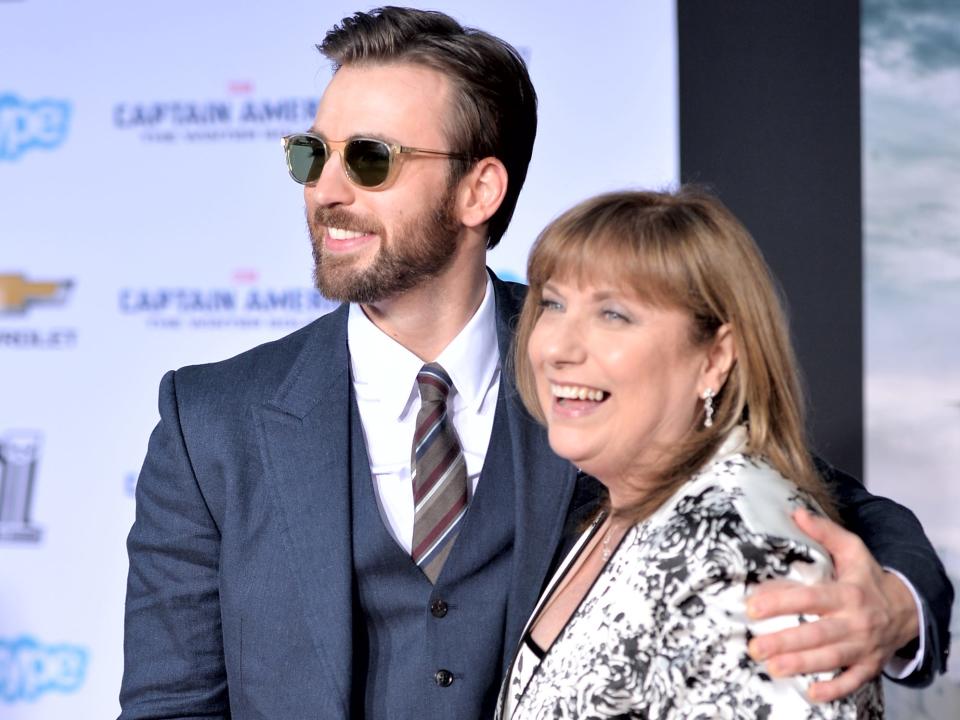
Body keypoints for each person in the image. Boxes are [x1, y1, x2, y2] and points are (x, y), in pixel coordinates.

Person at [118, 7, 951, 720]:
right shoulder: (212, 419)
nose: (328, 189)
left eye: (370, 159)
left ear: (479, 191)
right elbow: (170, 703)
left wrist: (898, 606)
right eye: (312, 155)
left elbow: (819, 503)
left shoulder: (601, 384)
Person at [498, 188, 885, 718]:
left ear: (715, 357)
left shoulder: (743, 557)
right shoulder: (623, 510)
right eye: (554, 304)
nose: (558, 349)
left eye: (614, 315)